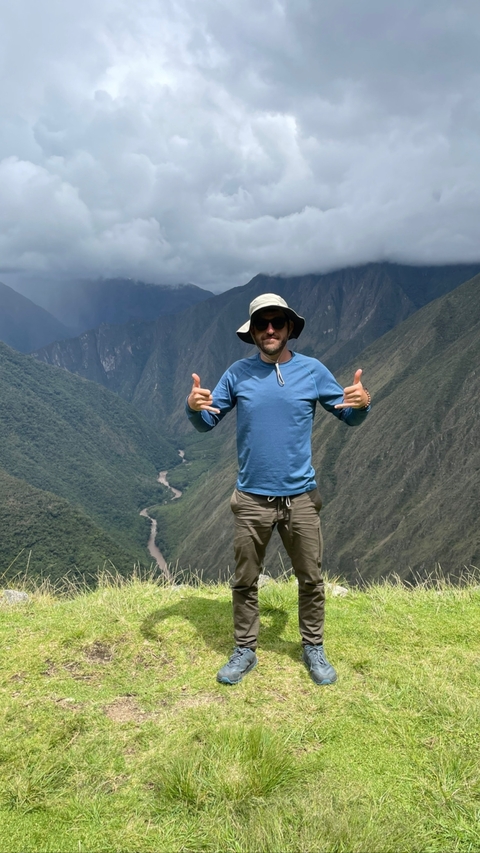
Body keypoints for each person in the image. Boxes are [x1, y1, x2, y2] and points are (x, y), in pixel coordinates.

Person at [186, 293, 371, 686]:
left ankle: (313, 647)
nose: (269, 330)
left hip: (301, 498)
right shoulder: (237, 374)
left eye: (276, 323)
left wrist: (362, 403)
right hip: (252, 498)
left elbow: (349, 417)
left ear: (289, 329)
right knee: (244, 579)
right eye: (261, 324)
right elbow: (207, 422)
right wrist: (193, 406)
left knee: (310, 578)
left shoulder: (313, 372)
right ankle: (245, 650)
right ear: (251, 332)